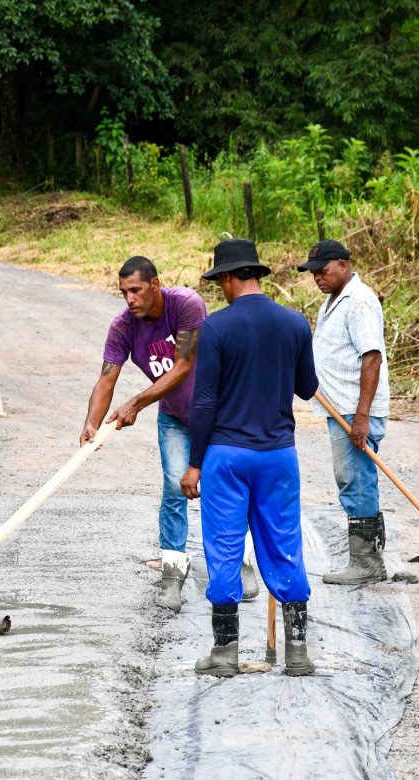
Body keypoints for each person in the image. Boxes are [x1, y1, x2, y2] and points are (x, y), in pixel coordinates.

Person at [81, 256, 259, 613]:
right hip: (175, 416)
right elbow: (107, 378)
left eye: (136, 290)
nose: (129, 299)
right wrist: (92, 423)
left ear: (155, 284)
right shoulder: (123, 327)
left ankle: (237, 563)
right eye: (123, 293)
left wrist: (137, 402)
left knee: (224, 488)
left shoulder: (186, 304)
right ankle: (173, 572)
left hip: (219, 415)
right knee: (173, 487)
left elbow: (185, 364)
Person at [181, 238, 318, 678]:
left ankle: (224, 653)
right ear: (255, 274)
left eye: (218, 281)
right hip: (278, 455)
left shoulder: (217, 328)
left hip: (227, 456)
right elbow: (307, 387)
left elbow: (203, 403)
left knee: (224, 546)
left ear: (226, 278)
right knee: (283, 543)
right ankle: (297, 652)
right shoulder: (295, 323)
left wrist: (195, 463)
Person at [297, 239, 391, 585]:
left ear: (343, 266)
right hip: (343, 410)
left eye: (322, 271)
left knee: (356, 481)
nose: (317, 278)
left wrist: (361, 416)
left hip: (355, 411)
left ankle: (366, 562)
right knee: (355, 479)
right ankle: (369, 557)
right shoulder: (333, 300)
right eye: (313, 273)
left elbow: (372, 357)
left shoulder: (360, 301)